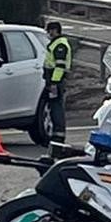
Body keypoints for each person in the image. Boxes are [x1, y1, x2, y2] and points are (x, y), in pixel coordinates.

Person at [44, 20, 72, 150]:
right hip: (55, 81)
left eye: (50, 30)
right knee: (54, 107)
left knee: (57, 109)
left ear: (55, 30)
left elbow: (59, 66)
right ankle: (57, 135)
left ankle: (58, 137)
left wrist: (54, 83)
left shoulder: (60, 45)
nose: (48, 33)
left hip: (57, 82)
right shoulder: (56, 44)